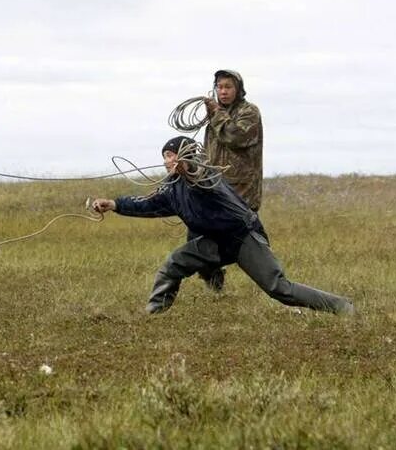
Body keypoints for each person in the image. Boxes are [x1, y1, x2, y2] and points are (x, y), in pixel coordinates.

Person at [90, 136, 354, 315]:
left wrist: (190, 167)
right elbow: (147, 204)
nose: (167, 161)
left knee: (280, 290)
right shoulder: (172, 189)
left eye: (171, 155)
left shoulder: (207, 176)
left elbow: (203, 179)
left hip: (242, 238)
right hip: (213, 243)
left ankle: (342, 307)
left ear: (188, 156)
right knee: (173, 264)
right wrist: (113, 204)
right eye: (165, 156)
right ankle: (154, 316)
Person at [196, 69, 264, 292]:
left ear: (238, 89)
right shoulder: (214, 115)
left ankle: (272, 280)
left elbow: (234, 137)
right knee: (198, 237)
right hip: (214, 189)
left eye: (228, 87)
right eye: (220, 87)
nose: (223, 91)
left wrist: (216, 113)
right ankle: (213, 280)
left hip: (241, 191)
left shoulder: (249, 112)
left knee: (242, 243)